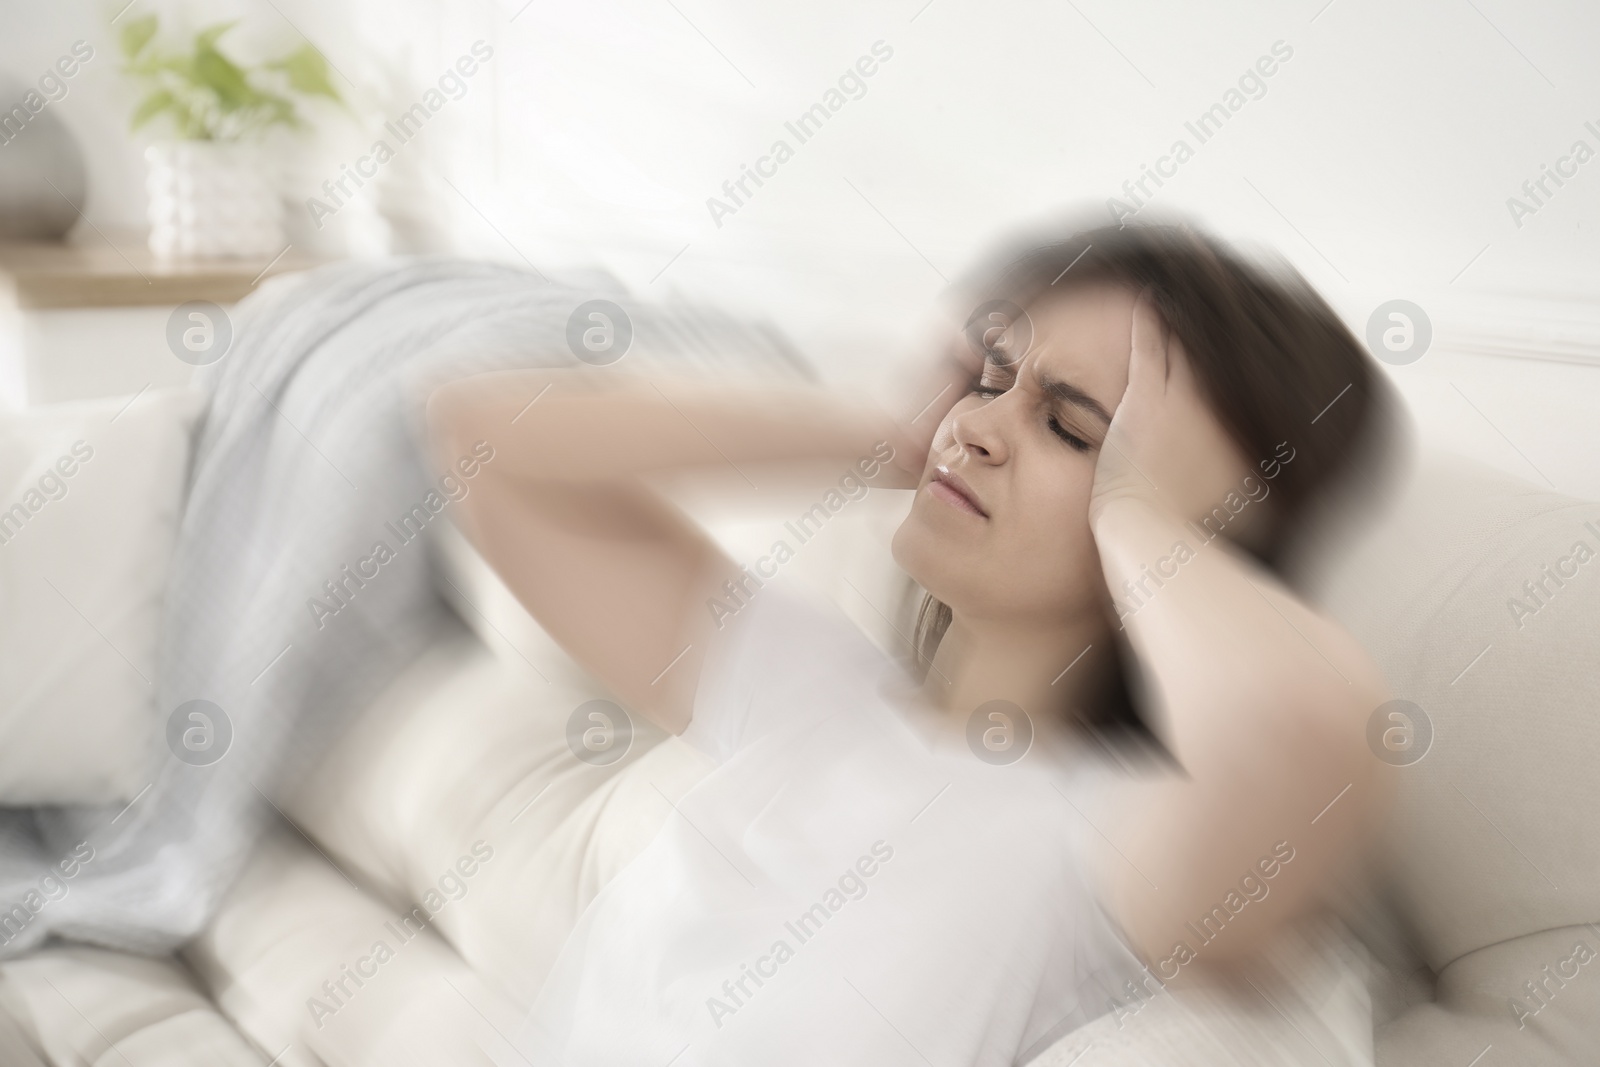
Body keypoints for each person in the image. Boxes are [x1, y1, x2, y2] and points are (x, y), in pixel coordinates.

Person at [426, 218, 1394, 1064]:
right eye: (994, 376)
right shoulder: (811, 689)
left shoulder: (1107, 844)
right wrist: (888, 433)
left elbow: (1301, 730)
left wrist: (1139, 512)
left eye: (1070, 425)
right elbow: (480, 437)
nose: (977, 427)